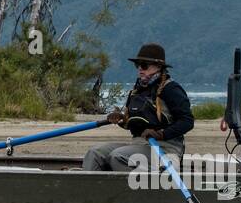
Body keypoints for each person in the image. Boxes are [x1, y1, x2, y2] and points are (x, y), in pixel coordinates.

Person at [82, 43, 194, 172]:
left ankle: (134, 189)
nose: (140, 69)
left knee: (118, 156)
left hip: (165, 148)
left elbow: (187, 121)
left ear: (158, 67)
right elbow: (133, 123)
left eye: (144, 65)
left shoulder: (171, 89)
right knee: (94, 153)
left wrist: (161, 134)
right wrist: (121, 120)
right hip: (138, 145)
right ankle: (88, 190)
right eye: (138, 65)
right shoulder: (137, 90)